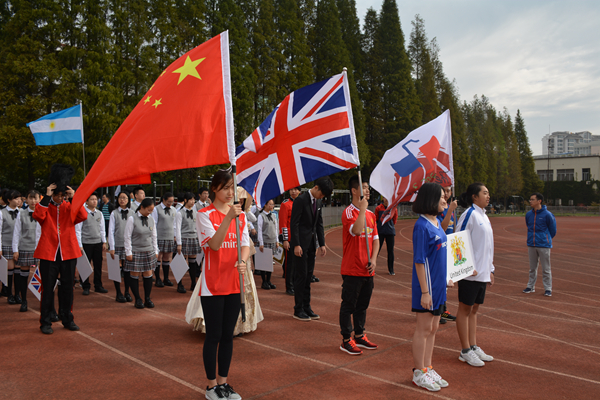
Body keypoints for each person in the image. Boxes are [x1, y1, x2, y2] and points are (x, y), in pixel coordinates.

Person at [196, 170, 249, 400]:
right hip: (213, 284)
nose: (230, 192)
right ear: (215, 189)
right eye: (226, 187)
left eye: (232, 187)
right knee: (214, 335)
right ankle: (210, 386)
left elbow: (245, 244)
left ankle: (223, 383)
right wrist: (228, 218)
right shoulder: (204, 214)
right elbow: (215, 245)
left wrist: (243, 261)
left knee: (229, 334)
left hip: (234, 282)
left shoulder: (242, 216)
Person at [33, 164, 88, 334]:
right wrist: (46, 197)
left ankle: (67, 318)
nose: (60, 198)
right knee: (47, 288)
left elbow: (83, 215)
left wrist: (74, 197)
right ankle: (46, 321)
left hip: (68, 252)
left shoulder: (68, 206)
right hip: (49, 253)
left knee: (67, 288)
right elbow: (38, 216)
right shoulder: (45, 206)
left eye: (62, 195)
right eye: (57, 195)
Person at [410, 183, 451, 391]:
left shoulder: (435, 222)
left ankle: (427, 367)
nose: (445, 200)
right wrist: (425, 292)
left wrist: (446, 279)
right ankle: (419, 372)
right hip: (426, 289)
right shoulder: (422, 226)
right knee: (424, 329)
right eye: (442, 197)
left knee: (433, 329)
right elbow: (420, 261)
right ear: (430, 199)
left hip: (438, 287)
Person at [339, 175, 379, 356]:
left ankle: (360, 334)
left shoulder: (371, 215)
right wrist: (362, 210)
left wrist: (374, 259)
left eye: (368, 187)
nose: (368, 190)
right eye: (364, 187)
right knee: (349, 305)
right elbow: (356, 231)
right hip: (352, 269)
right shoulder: (349, 212)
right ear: (354, 191)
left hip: (367, 269)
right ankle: (347, 339)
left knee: (362, 305)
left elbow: (376, 240)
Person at [455, 182, 495, 367]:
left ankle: (473, 346)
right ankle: (464, 351)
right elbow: (457, 240)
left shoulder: (484, 216)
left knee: (475, 310)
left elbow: (487, 246)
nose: (488, 196)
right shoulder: (469, 214)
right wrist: (465, 267)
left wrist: (491, 269)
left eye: (488, 193)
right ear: (474, 196)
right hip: (470, 273)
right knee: (465, 310)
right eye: (484, 193)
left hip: (483, 272)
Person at [290, 176, 333, 321]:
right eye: (321, 194)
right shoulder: (300, 200)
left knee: (308, 277)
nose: (321, 197)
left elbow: (319, 223)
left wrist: (322, 243)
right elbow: (294, 224)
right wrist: (296, 244)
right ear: (316, 188)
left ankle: (307, 306)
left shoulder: (319, 202)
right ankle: (298, 308)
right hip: (300, 245)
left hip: (311, 245)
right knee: (301, 276)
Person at [124, 198, 159, 309]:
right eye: (149, 210)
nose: (150, 212)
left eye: (152, 210)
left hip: (148, 250)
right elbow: (127, 236)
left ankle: (147, 298)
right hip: (136, 251)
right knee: (134, 274)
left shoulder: (151, 219)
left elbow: (154, 236)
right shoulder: (132, 219)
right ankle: (138, 299)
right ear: (142, 207)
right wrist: (128, 252)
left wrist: (155, 250)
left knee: (148, 274)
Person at [12, 190, 42, 312]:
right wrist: (15, 249)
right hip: (25, 247)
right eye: (31, 198)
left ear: (39, 199)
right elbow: (17, 232)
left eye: (35, 198)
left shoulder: (43, 212)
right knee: (23, 276)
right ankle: (24, 300)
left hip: (40, 248)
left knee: (42, 276)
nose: (33, 201)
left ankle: (44, 303)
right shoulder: (21, 213)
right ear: (26, 200)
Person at [523, 192, 557, 297]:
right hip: (531, 244)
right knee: (532, 268)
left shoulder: (547, 215)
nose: (530, 201)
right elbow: (528, 226)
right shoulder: (528, 214)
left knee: (546, 269)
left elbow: (553, 230)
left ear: (539, 201)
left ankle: (548, 288)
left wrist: (545, 238)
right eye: (530, 199)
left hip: (543, 245)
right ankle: (530, 286)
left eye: (532, 199)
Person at [76, 192, 108, 295]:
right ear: (87, 201)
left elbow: (102, 229)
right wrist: (80, 245)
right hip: (86, 243)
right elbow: (78, 230)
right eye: (92, 199)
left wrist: (104, 241)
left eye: (96, 199)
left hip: (97, 243)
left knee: (98, 265)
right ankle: (85, 286)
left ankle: (98, 285)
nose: (94, 201)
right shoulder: (82, 213)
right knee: (85, 265)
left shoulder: (99, 213)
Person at [152, 192, 182, 292]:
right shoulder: (156, 209)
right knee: (158, 257)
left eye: (172, 202)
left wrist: (175, 236)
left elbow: (174, 224)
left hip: (169, 237)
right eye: (168, 201)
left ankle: (166, 278)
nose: (170, 203)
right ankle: (157, 279)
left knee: (167, 258)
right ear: (163, 200)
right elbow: (154, 223)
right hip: (159, 236)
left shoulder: (174, 210)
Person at [108, 190, 135, 303]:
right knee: (117, 269)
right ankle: (118, 292)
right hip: (118, 244)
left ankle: (127, 292)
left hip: (128, 245)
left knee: (128, 269)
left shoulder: (133, 213)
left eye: (125, 198)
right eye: (120, 198)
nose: (122, 200)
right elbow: (111, 230)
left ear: (128, 200)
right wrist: (112, 247)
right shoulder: (114, 213)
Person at [437, 185, 458, 324]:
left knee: (447, 282)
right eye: (444, 191)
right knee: (441, 281)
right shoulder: (441, 209)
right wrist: (449, 210)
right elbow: (442, 228)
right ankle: (439, 311)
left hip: (449, 246)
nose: (446, 193)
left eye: (449, 191)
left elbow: (454, 227)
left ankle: (443, 310)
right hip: (440, 246)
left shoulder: (451, 207)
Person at [176, 192, 201, 291]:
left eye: (194, 199)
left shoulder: (196, 213)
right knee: (181, 262)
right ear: (185, 200)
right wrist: (179, 243)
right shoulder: (179, 213)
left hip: (194, 238)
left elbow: (198, 227)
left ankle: (193, 283)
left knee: (193, 261)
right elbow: (177, 229)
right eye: (190, 199)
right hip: (184, 238)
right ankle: (179, 284)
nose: (193, 202)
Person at [0, 189, 22, 304]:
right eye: (16, 198)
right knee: (9, 269)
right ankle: (9, 294)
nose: (19, 200)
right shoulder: (1, 213)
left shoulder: (22, 212)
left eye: (19, 198)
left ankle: (17, 294)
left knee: (18, 269)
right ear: (9, 200)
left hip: (19, 245)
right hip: (7, 244)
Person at [279, 187, 300, 295]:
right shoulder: (285, 204)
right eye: (292, 189)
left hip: (300, 237)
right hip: (290, 237)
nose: (294, 192)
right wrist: (285, 239)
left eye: (296, 189)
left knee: (299, 264)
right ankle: (289, 286)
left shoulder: (301, 202)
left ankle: (296, 284)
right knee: (290, 264)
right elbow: (283, 223)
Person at [257, 199, 279, 290]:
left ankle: (269, 280)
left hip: (273, 241)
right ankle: (263, 282)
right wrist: (261, 242)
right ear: (265, 205)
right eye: (270, 204)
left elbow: (276, 228)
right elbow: (259, 229)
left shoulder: (273, 215)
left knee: (270, 262)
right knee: (264, 262)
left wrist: (277, 240)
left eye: (273, 204)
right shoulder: (261, 216)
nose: (272, 206)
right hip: (265, 241)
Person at [374, 197, 397, 275]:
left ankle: (391, 270)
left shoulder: (393, 208)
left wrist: (390, 226)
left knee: (390, 251)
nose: (386, 199)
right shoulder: (378, 208)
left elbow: (395, 220)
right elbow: (376, 219)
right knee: (376, 250)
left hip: (390, 232)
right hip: (380, 231)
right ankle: (372, 268)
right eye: (384, 197)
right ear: (382, 198)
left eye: (387, 197)